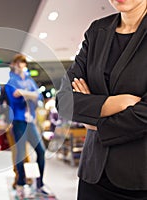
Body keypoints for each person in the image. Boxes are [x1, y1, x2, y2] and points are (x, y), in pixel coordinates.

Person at [56, 0, 147, 199]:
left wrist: (95, 121)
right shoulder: (98, 31)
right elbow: (64, 101)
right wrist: (118, 104)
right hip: (93, 175)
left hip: (139, 178)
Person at [5, 54, 48, 196]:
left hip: (31, 121)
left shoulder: (29, 80)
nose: (20, 66)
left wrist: (25, 93)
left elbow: (39, 96)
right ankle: (21, 183)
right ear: (14, 64)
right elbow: (15, 99)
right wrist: (31, 95)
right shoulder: (11, 81)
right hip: (18, 121)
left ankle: (40, 183)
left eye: (23, 63)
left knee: (41, 151)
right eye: (18, 63)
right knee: (21, 153)